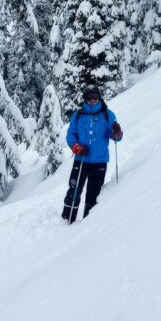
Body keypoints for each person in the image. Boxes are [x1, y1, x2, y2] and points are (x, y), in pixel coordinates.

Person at [61, 87, 123, 223]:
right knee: (74, 190)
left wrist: (117, 131)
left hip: (99, 162)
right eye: (89, 97)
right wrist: (76, 147)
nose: (92, 100)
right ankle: (66, 221)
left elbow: (116, 137)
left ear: (99, 97)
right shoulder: (78, 115)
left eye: (95, 96)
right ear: (85, 99)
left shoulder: (107, 115)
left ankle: (88, 226)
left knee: (93, 194)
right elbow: (71, 135)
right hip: (81, 159)